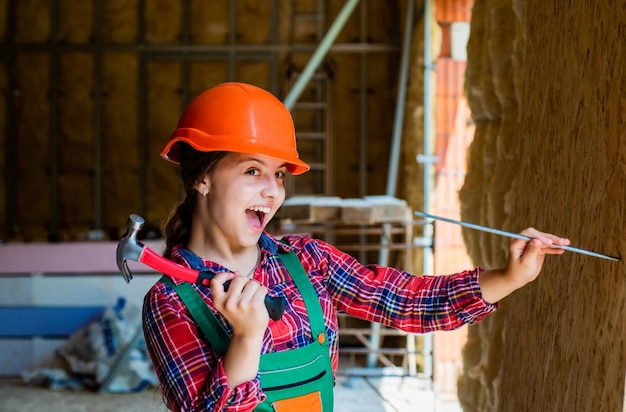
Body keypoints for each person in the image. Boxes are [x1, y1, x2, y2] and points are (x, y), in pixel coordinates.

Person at [142, 82, 570, 412]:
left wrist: (512, 276)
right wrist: (247, 338)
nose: (272, 191)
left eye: (280, 175)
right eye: (253, 171)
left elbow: (405, 302)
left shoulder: (307, 262)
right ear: (202, 178)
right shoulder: (171, 303)